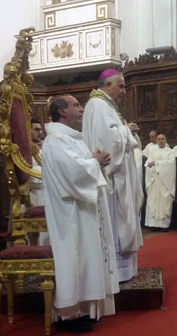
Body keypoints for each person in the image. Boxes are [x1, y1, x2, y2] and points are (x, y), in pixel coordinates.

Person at [42, 94, 118, 332]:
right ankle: (70, 314)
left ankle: (84, 309)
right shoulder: (55, 141)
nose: (81, 108)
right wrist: (95, 162)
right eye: (76, 105)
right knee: (74, 258)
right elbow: (73, 174)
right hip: (69, 213)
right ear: (62, 111)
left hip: (81, 208)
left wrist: (97, 162)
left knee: (86, 258)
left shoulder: (72, 139)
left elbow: (82, 167)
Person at [83, 69, 143, 282]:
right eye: (121, 86)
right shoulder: (99, 105)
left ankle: (124, 269)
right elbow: (108, 143)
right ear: (108, 85)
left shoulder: (106, 105)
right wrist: (126, 130)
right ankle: (116, 272)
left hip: (118, 175)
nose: (124, 91)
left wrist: (126, 131)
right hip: (111, 178)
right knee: (117, 221)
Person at [145, 134, 176, 231]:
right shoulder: (152, 151)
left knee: (164, 202)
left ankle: (164, 225)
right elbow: (148, 165)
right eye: (159, 139)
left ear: (166, 140)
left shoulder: (170, 152)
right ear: (157, 140)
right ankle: (153, 225)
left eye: (163, 139)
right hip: (154, 180)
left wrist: (156, 163)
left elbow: (171, 165)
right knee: (153, 201)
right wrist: (151, 166)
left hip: (165, 182)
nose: (161, 141)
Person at [29, 119, 44, 207]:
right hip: (32, 196)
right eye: (36, 130)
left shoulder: (41, 149)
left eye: (41, 130)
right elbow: (30, 176)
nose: (40, 133)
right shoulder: (22, 151)